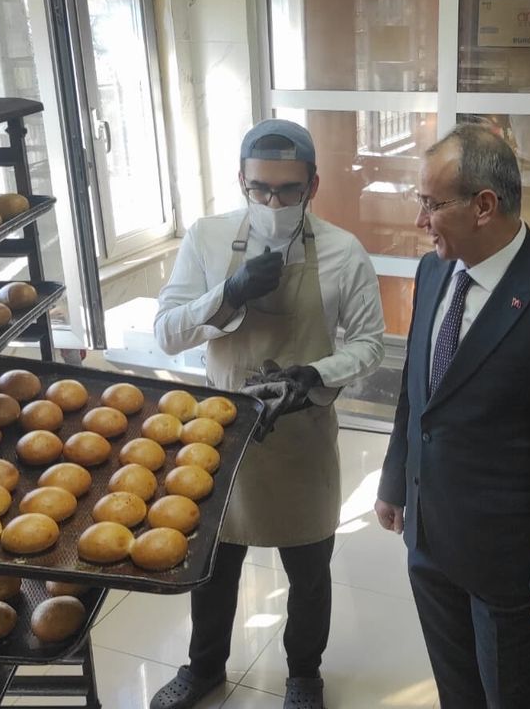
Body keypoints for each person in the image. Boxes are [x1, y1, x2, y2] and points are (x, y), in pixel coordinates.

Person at [374, 124, 530, 708]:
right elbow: (416, 390)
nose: (420, 220)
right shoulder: (434, 271)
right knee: (456, 688)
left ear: (484, 205)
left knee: (510, 694)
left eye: (432, 204)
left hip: (508, 562)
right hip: (428, 536)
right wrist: (394, 478)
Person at [151, 119, 385, 709]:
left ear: (313, 185)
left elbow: (370, 344)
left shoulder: (343, 251)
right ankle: (204, 668)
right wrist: (227, 293)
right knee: (212, 566)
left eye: (288, 190)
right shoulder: (206, 239)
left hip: (300, 435)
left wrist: (317, 374)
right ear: (241, 181)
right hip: (220, 435)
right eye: (261, 189)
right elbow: (167, 333)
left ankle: (304, 674)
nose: (274, 203)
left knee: (309, 569)